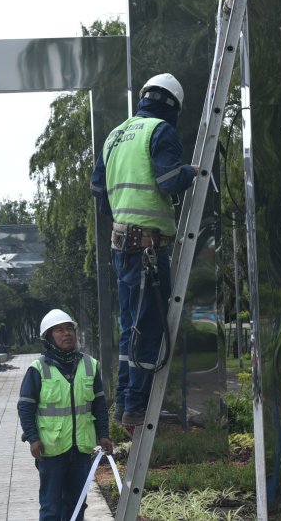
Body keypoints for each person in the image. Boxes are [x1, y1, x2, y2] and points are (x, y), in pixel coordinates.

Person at [91, 73, 198, 433]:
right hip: (148, 248)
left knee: (129, 328)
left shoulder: (115, 135)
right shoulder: (160, 132)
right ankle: (136, 405)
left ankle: (125, 402)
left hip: (122, 245)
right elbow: (168, 180)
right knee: (149, 328)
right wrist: (192, 172)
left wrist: (126, 214)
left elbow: (99, 192)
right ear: (173, 106)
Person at [18, 309, 112, 521]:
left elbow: (99, 404)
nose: (66, 333)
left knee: (78, 503)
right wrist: (32, 438)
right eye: (59, 330)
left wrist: (103, 434)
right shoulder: (38, 369)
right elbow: (25, 408)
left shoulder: (90, 365)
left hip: (81, 449)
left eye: (69, 329)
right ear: (49, 337)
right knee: (51, 506)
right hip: (51, 449)